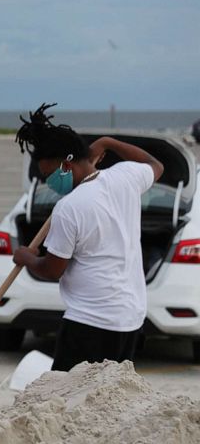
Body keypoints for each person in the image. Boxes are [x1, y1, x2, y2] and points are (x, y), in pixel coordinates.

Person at [11, 103, 163, 372]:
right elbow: (155, 165)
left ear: (67, 163)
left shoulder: (69, 207)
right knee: (106, 395)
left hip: (90, 320)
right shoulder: (123, 177)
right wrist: (110, 142)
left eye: (49, 175)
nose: (49, 183)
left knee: (69, 395)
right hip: (129, 316)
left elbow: (52, 270)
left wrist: (27, 258)